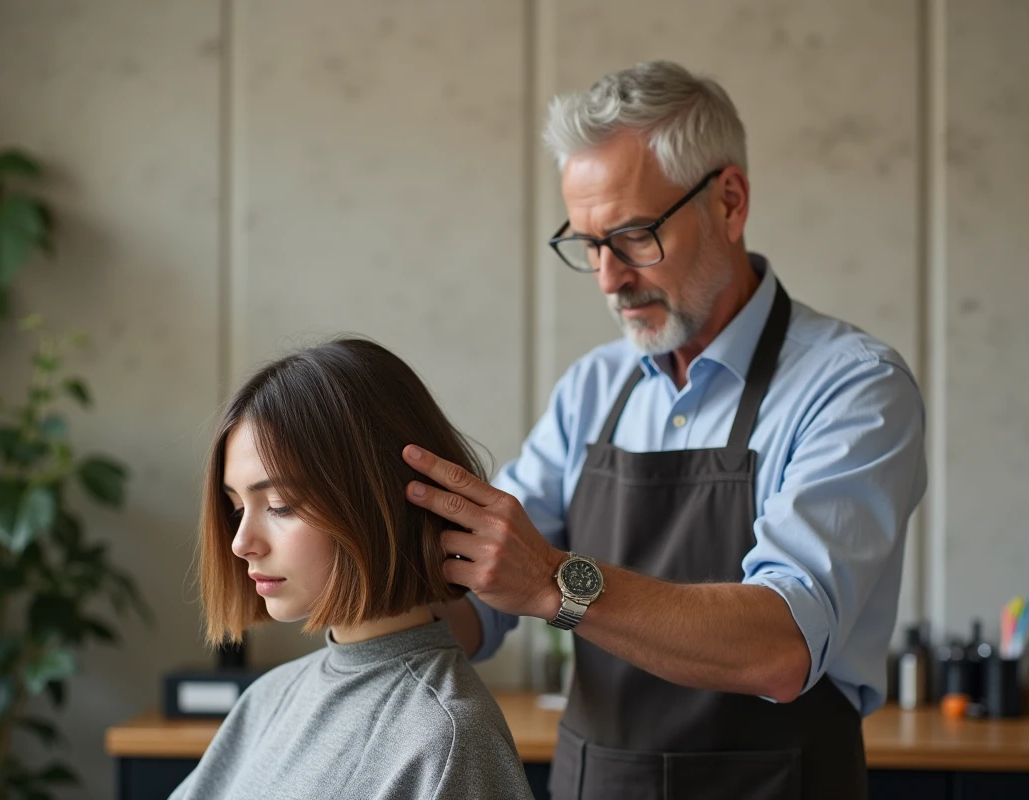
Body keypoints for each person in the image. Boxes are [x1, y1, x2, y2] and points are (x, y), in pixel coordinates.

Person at [407, 61, 928, 799]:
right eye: (587, 245)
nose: (609, 279)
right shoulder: (592, 388)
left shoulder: (854, 388)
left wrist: (556, 581)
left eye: (634, 236)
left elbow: (783, 643)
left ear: (730, 201)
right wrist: (371, 590)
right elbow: (480, 607)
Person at [169, 338, 534, 800]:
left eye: (279, 506)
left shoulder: (445, 740)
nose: (241, 543)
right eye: (237, 508)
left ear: (378, 502)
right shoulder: (268, 700)